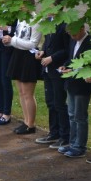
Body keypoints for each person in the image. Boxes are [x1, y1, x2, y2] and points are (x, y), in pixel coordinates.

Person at [58, 25, 91, 158]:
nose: (72, 37)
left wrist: (73, 70)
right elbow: (71, 59)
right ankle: (73, 142)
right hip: (71, 84)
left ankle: (80, 146)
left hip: (82, 86)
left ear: (82, 29)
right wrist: (65, 66)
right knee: (71, 114)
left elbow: (90, 65)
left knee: (80, 116)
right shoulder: (73, 41)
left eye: (73, 34)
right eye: (70, 34)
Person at [4, 11, 42, 135]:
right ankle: (26, 121)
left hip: (28, 58)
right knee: (21, 92)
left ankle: (31, 124)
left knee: (27, 93)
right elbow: (18, 36)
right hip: (18, 55)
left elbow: (33, 44)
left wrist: (13, 40)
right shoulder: (21, 18)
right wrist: (9, 41)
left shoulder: (36, 20)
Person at [35, 16, 71, 146]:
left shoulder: (64, 25)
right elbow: (47, 42)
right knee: (50, 102)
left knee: (59, 103)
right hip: (47, 70)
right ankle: (53, 132)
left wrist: (52, 58)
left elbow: (67, 49)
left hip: (58, 69)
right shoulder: (48, 22)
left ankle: (64, 136)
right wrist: (42, 51)